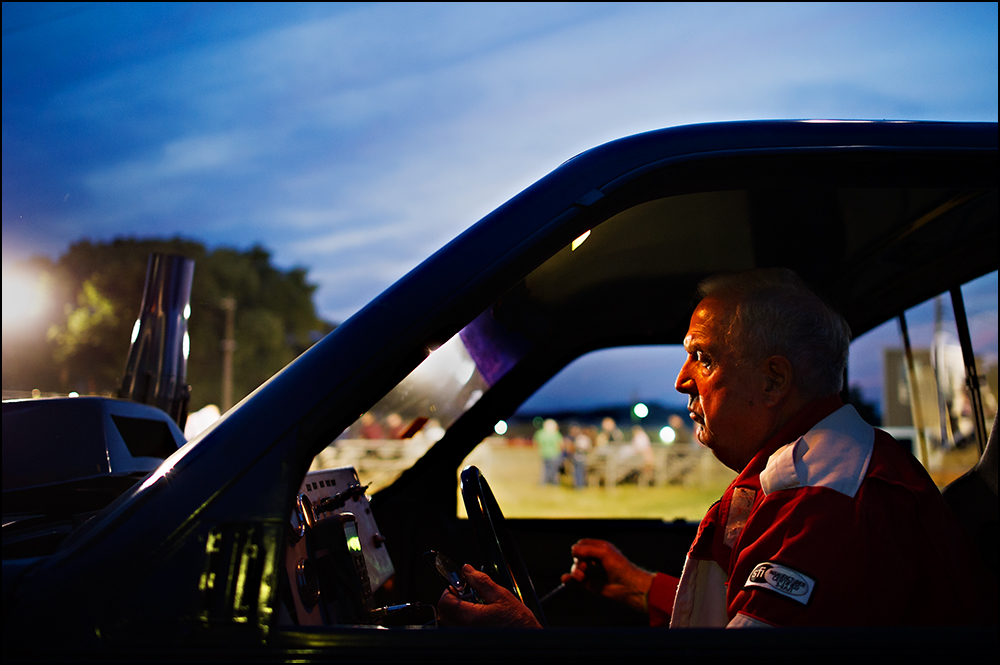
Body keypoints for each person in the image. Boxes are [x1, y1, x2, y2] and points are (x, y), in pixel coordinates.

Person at [438, 268, 991, 628]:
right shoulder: (807, 476)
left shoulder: (826, 503)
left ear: (774, 381)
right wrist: (640, 587)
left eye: (702, 357)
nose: (682, 380)